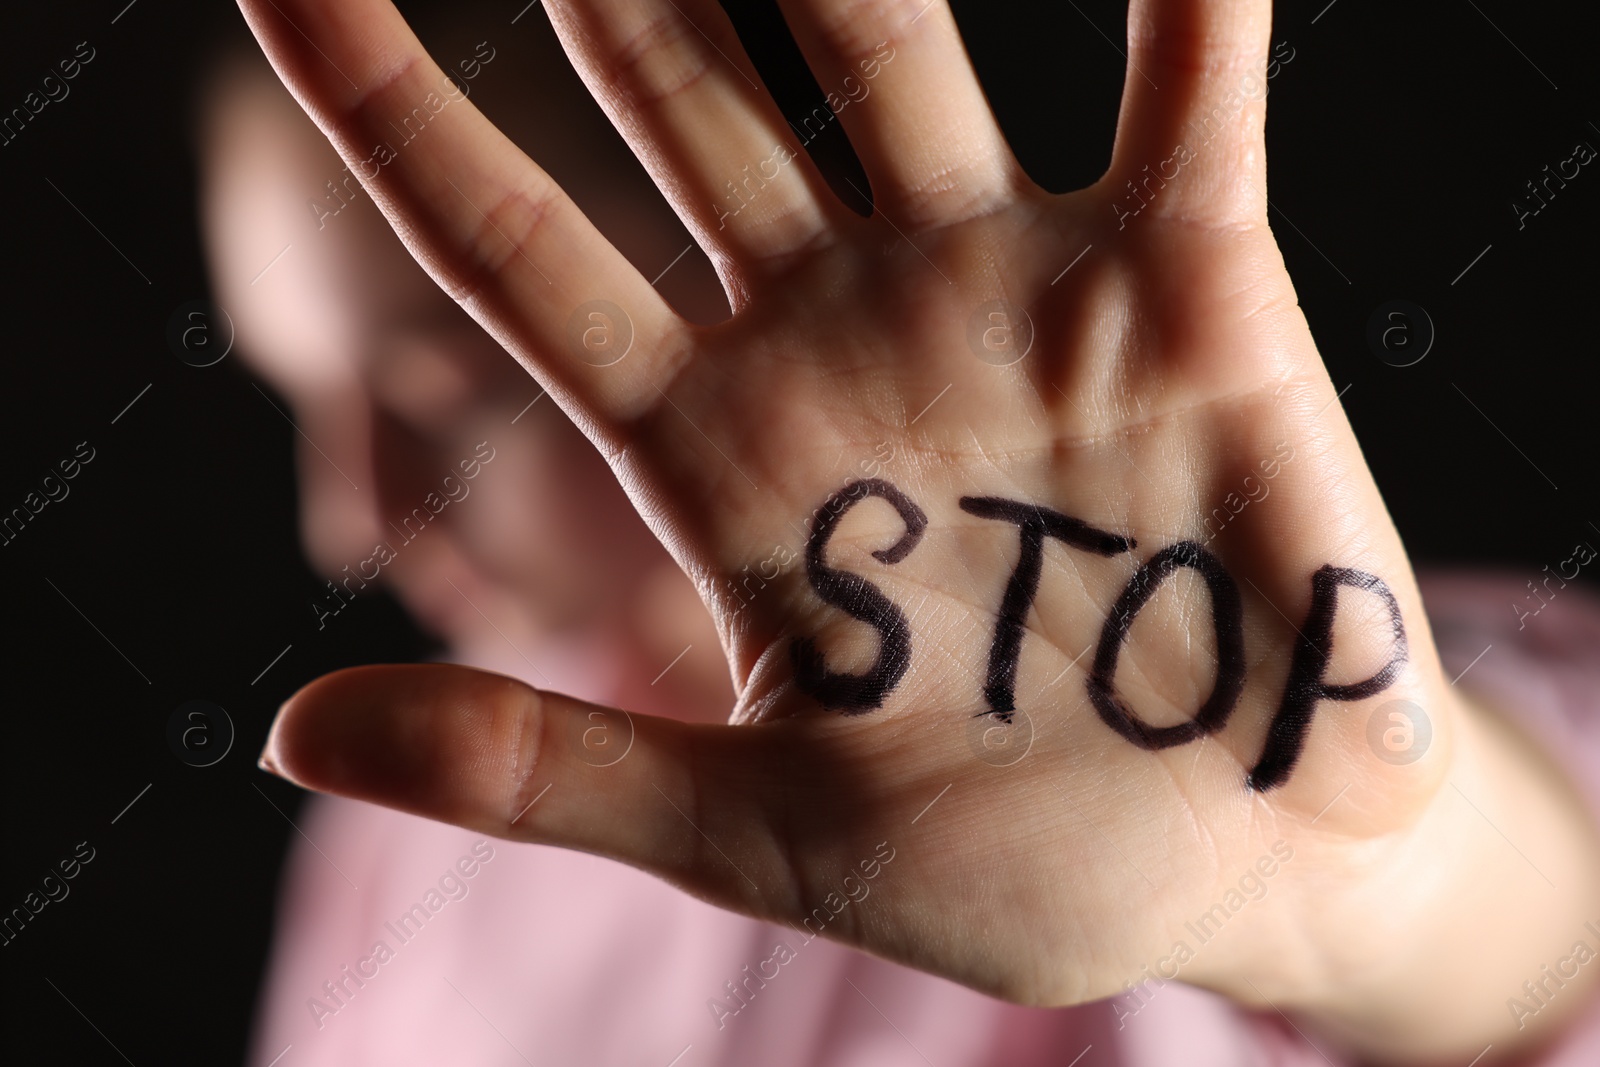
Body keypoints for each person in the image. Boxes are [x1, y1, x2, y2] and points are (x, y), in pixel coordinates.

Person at [208, 0, 1600, 1063]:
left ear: (736, 263)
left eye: (445, 397)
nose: (352, 524)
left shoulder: (1357, 675)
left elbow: (1523, 913)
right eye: (296, 402)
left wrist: (1396, 896)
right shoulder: (415, 839)